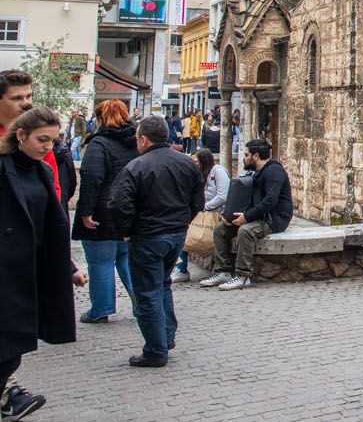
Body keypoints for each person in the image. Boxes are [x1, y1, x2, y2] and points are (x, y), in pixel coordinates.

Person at [0, 107, 88, 420]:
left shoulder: (44, 171)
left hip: (32, 269)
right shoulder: (3, 167)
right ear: (20, 135)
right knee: (7, 345)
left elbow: (51, 227)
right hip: (5, 270)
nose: (47, 146)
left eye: (52, 140)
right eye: (41, 139)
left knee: (17, 346)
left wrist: (69, 267)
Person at [106, 116, 204, 368]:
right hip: (175, 232)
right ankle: (166, 336)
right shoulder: (186, 163)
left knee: (148, 292)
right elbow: (197, 199)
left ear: (143, 139)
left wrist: (125, 230)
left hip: (148, 235)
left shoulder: (136, 167)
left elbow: (118, 203)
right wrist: (184, 220)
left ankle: (155, 348)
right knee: (162, 284)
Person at [71, 99, 138, 324]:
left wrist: (86, 212)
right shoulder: (137, 141)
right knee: (126, 259)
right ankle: (142, 304)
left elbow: (92, 178)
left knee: (101, 262)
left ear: (100, 118)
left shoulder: (99, 144)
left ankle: (101, 309)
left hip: (102, 210)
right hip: (129, 211)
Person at [200, 138, 293, 292]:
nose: (244, 158)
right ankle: (223, 271)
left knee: (246, 231)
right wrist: (230, 216)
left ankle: (243, 275)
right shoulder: (256, 172)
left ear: (255, 156)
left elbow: (270, 201)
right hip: (259, 216)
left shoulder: (274, 171)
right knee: (220, 229)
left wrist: (246, 217)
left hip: (275, 219)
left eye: (246, 154)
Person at [0, 71, 60, 203]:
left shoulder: (38, 132)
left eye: (28, 96)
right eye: (17, 98)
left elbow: (53, 186)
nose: (26, 103)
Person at [173, 148, 231, 284]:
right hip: (202, 212)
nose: (193, 164)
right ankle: (181, 268)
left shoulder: (218, 171)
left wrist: (205, 207)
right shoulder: (198, 174)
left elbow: (223, 196)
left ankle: (221, 270)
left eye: (195, 162)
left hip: (216, 213)